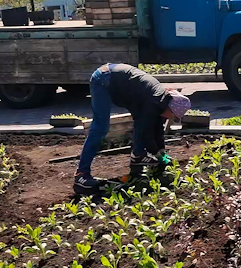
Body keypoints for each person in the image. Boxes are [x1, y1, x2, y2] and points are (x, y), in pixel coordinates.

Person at [74, 63, 191, 191]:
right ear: (170, 108)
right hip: (104, 79)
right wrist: (156, 153)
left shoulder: (160, 101)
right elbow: (147, 132)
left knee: (141, 121)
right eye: (173, 116)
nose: (171, 119)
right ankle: (82, 175)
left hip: (119, 82)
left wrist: (162, 151)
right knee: (100, 127)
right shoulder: (153, 102)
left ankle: (137, 156)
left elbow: (157, 128)